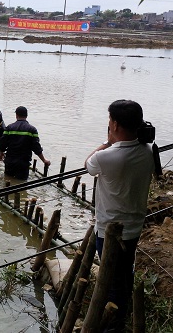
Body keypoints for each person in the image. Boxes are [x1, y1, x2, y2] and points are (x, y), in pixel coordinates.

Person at [85, 99, 154, 332]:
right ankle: (122, 316)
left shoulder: (107, 156)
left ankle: (112, 327)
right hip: (134, 227)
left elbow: (88, 164)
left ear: (114, 124)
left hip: (109, 232)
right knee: (125, 273)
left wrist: (107, 142)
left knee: (111, 283)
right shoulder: (147, 151)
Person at [0, 106, 51, 180]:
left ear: (16, 115)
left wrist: (1, 153)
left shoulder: (9, 128)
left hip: (10, 161)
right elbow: (36, 147)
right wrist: (44, 160)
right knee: (22, 184)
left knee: (7, 181)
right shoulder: (32, 130)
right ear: (26, 116)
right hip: (23, 163)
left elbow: (2, 143)